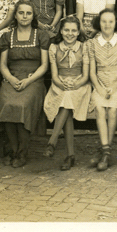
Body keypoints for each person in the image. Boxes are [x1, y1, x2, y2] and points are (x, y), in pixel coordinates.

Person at [0, 0, 50, 168]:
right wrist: (11, 79)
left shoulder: (41, 35)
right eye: (21, 13)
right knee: (7, 102)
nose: (24, 16)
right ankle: (13, 148)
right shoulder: (7, 36)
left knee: (23, 104)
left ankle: (22, 151)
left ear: (33, 16)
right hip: (12, 78)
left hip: (34, 79)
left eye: (28, 13)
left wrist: (28, 80)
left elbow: (44, 65)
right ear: (15, 15)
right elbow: (3, 65)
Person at [43, 16, 92, 171]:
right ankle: (70, 155)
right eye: (66, 30)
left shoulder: (84, 47)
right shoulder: (54, 48)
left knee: (68, 99)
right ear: (61, 31)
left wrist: (74, 84)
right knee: (66, 106)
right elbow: (55, 75)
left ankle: (53, 141)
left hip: (80, 85)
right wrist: (62, 84)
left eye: (73, 30)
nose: (70, 33)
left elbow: (85, 76)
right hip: (60, 85)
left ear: (78, 32)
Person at [86, 9, 117, 171]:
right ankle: (106, 151)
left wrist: (113, 87)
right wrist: (99, 87)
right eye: (104, 21)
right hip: (100, 83)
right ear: (99, 23)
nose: (107, 25)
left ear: (115, 23)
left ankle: (105, 150)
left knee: (112, 109)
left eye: (110, 21)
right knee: (99, 108)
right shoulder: (92, 43)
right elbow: (92, 71)